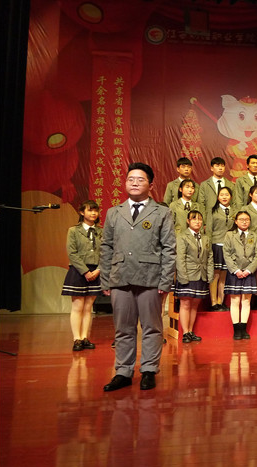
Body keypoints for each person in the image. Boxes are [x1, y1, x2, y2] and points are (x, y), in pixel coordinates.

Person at [101, 162, 176, 392]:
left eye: (140, 179)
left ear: (151, 185)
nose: (134, 183)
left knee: (152, 327)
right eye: (130, 179)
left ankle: (149, 370)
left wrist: (165, 280)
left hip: (150, 278)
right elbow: (106, 247)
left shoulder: (162, 212)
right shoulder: (114, 212)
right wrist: (106, 279)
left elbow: (169, 249)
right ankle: (123, 372)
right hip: (120, 277)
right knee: (123, 328)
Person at [62, 200, 102, 351]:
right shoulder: (73, 230)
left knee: (88, 307)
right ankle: (76, 339)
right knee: (77, 306)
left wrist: (99, 270)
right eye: (90, 210)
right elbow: (72, 253)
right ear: (81, 212)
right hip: (78, 271)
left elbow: (107, 252)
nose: (93, 213)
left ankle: (85, 337)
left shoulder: (101, 231)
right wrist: (85, 271)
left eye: (95, 210)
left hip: (96, 271)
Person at [174, 210, 213, 343]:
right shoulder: (182, 236)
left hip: (201, 274)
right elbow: (180, 258)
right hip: (187, 274)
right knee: (185, 303)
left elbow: (210, 257)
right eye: (194, 219)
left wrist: (210, 275)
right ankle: (185, 332)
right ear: (188, 221)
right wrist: (182, 276)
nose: (197, 222)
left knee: (195, 305)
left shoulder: (205, 238)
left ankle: (190, 331)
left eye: (200, 219)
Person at [223, 211, 257, 340]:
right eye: (241, 219)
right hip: (234, 272)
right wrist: (235, 270)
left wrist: (249, 270)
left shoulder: (254, 235)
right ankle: (236, 330)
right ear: (236, 221)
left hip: (249, 272)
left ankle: (243, 329)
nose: (244, 221)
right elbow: (226, 254)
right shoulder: (229, 235)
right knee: (235, 301)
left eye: (247, 219)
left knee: (246, 301)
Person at [207, 186, 234, 312]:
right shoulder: (213, 211)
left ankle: (220, 301)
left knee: (224, 276)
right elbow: (208, 230)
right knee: (215, 275)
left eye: (227, 195)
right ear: (218, 197)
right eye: (222, 195)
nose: (224, 197)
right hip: (216, 245)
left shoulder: (234, 211)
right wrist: (208, 247)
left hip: (228, 246)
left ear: (231, 197)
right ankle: (213, 302)